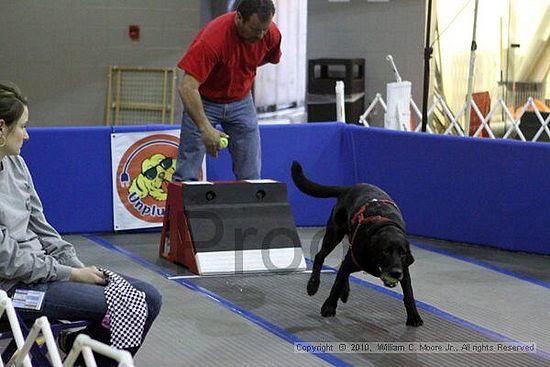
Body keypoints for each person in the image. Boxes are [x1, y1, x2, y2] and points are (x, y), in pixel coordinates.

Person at [0, 82, 162, 365]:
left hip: (43, 274)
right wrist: (71, 275)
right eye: (23, 127)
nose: (26, 136)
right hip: (13, 290)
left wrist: (76, 265)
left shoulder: (16, 164)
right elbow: (9, 262)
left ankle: (77, 347)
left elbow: (42, 228)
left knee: (150, 297)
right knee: (126, 303)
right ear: (1, 128)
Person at [173, 0, 282, 181]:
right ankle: (181, 209)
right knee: (186, 172)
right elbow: (187, 87)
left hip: (241, 101)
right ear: (239, 17)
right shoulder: (212, 40)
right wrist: (205, 127)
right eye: (255, 30)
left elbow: (266, 58)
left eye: (265, 29)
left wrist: (240, 71)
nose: (261, 35)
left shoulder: (272, 35)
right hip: (205, 101)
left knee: (251, 174)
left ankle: (248, 209)